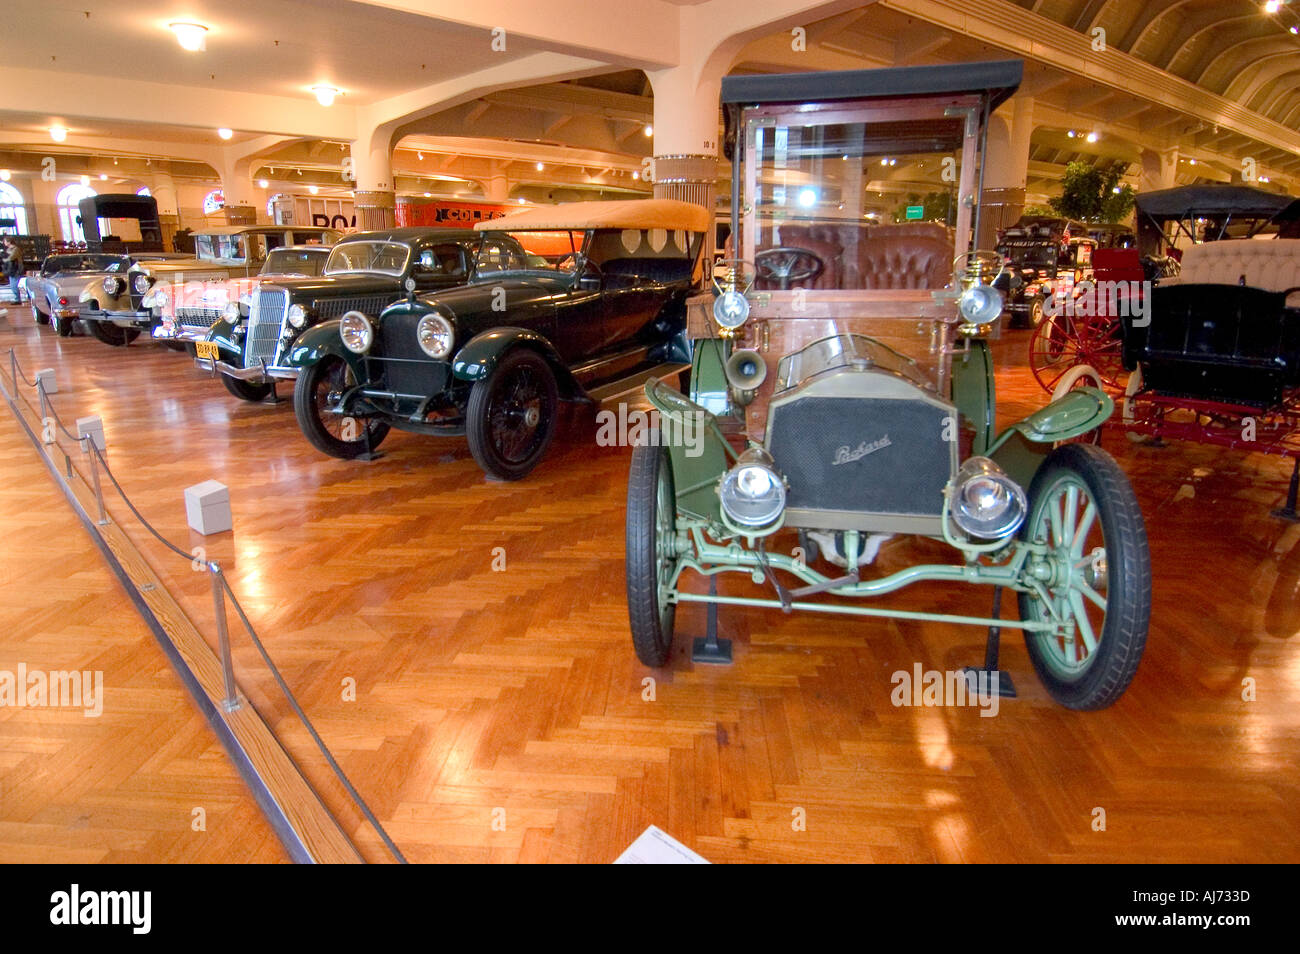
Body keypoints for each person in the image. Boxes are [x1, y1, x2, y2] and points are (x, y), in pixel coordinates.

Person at [2, 238, 25, 304]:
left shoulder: (16, 249)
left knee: (14, 284)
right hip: (11, 268)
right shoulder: (9, 249)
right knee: (13, 284)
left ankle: (18, 299)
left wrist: (4, 260)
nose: (4, 243)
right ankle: (17, 298)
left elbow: (11, 258)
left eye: (5, 241)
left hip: (16, 268)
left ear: (9, 242)